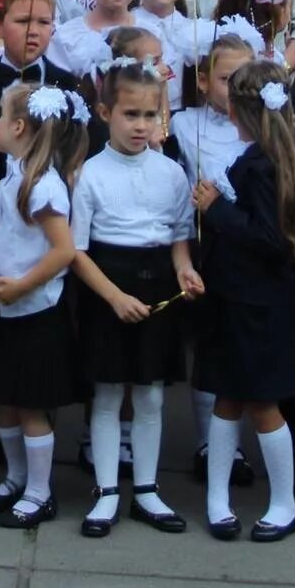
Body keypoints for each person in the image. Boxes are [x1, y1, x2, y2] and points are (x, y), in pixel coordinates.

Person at [188, 60, 295, 541]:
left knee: (264, 404)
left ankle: (283, 503)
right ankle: (217, 498)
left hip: (258, 304)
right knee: (226, 397)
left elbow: (270, 239)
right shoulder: (261, 158)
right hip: (233, 298)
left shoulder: (265, 166)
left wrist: (216, 208)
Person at [70, 57, 198, 536]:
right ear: (106, 114)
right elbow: (76, 251)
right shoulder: (90, 174)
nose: (141, 125)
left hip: (157, 284)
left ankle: (146, 487)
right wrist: (113, 297)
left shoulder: (171, 174)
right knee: (106, 393)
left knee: (149, 393)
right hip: (108, 281)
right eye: (131, 115)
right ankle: (105, 491)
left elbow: (179, 236)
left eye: (150, 115)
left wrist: (184, 269)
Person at [0, 82, 88, 530]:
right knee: (6, 398)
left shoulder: (43, 186)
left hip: (37, 309)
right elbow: (4, 230)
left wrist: (21, 285)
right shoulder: (13, 175)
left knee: (30, 405)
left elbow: (64, 250)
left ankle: (40, 491)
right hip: (9, 307)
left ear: (18, 126)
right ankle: (16, 477)